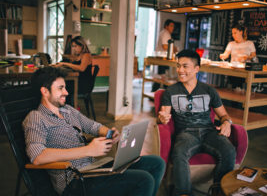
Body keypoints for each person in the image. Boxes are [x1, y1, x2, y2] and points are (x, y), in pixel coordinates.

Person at [23, 66, 165, 196]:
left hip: (93, 169)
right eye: (60, 88)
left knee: (156, 163)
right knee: (144, 180)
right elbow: (37, 156)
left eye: (65, 87)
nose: (66, 92)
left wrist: (109, 133)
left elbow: (93, 127)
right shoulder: (36, 117)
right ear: (45, 91)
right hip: (74, 181)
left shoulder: (68, 110)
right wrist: (88, 150)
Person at [158, 50, 236, 196]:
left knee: (229, 151)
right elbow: (164, 114)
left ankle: (219, 192)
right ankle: (183, 193)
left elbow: (224, 115)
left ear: (196, 69)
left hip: (209, 132)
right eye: (178, 66)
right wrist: (161, 119)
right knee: (179, 153)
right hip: (186, 133)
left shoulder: (209, 91)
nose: (180, 70)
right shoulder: (171, 91)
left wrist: (227, 123)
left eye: (185, 66)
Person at [152, 19, 176, 92]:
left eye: (173, 26)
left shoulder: (163, 32)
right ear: (166, 26)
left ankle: (155, 92)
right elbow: (165, 46)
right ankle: (161, 93)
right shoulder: (166, 33)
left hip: (161, 58)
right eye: (171, 26)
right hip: (163, 58)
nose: (173, 28)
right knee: (164, 77)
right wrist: (174, 48)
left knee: (161, 77)